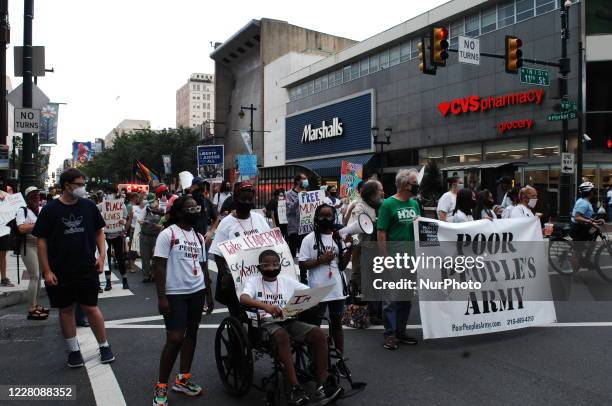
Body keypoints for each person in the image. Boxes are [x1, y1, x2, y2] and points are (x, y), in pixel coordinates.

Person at [33, 168, 114, 367]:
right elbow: (41, 241)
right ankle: (73, 350)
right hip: (60, 269)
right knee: (65, 309)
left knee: (91, 307)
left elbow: (99, 232)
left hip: (86, 267)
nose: (82, 187)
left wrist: (102, 256)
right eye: (79, 184)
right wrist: (47, 270)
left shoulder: (88, 206)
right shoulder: (50, 209)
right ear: (67, 185)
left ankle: (104, 346)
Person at [240, 249, 343, 406]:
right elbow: (244, 298)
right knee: (281, 336)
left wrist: (312, 299)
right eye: (266, 265)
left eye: (275, 264)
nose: (271, 268)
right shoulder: (253, 282)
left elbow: (308, 292)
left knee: (318, 334)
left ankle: (322, 384)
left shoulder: (285, 280)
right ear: (260, 267)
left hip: (289, 320)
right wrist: (265, 306)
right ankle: (295, 388)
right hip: (265, 324)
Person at [152, 196, 214, 406]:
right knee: (175, 338)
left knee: (191, 334)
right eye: (190, 208)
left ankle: (183, 379)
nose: (195, 211)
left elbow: (203, 266)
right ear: (178, 212)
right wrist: (161, 297)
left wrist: (208, 294)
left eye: (197, 208)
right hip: (174, 294)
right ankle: (161, 386)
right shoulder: (167, 234)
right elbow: (158, 266)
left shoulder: (197, 236)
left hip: (196, 291)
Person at [209, 181, 270, 317]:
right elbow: (218, 254)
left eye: (250, 199)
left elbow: (270, 243)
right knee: (238, 315)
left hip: (257, 275)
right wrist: (225, 275)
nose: (247, 202)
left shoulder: (259, 219)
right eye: (243, 199)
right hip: (235, 278)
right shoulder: (226, 223)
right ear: (235, 199)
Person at [299, 204, 352, 355]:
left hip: (336, 289)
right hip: (318, 288)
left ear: (334, 217)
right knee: (314, 324)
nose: (325, 219)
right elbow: (302, 263)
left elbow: (341, 266)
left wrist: (350, 249)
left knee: (336, 324)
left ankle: (340, 356)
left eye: (329, 216)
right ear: (316, 218)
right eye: (321, 216)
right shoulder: (309, 239)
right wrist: (321, 260)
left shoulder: (338, 237)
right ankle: (314, 358)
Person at [377, 169, 420, 350]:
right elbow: (381, 232)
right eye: (414, 183)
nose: (417, 186)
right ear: (404, 185)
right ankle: (389, 334)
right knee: (391, 299)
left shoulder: (415, 204)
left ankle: (400, 331)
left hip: (411, 259)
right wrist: (385, 258)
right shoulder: (388, 204)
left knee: (405, 298)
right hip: (394, 258)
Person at [17, 186, 48, 320]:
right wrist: (38, 224)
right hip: (28, 246)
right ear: (28, 197)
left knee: (39, 275)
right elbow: (21, 228)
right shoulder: (22, 211)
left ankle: (36, 305)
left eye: (38, 194)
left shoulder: (41, 209)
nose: (37, 197)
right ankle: (31, 308)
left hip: (40, 245)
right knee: (34, 275)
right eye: (34, 195)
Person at [103, 186, 129, 291]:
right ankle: (108, 282)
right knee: (107, 260)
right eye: (108, 193)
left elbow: (125, 217)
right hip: (106, 236)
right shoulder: (102, 205)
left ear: (115, 193)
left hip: (117, 234)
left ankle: (125, 280)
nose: (110, 195)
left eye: (111, 193)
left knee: (120, 258)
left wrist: (123, 220)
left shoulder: (121, 205)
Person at [140, 194, 164, 283]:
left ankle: (154, 274)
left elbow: (163, 225)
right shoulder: (146, 210)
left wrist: (157, 226)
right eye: (150, 203)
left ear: (157, 200)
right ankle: (146, 275)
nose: (152, 204)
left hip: (157, 237)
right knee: (145, 257)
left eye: (153, 202)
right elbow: (140, 220)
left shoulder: (162, 211)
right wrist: (144, 222)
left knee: (156, 257)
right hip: (144, 235)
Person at [286, 173, 310, 258]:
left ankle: (303, 271)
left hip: (306, 228)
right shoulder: (288, 194)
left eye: (306, 178)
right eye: (303, 179)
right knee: (292, 253)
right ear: (297, 181)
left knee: (304, 253)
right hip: (294, 229)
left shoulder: (307, 193)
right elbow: (289, 209)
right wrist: (300, 198)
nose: (306, 180)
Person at [0, 183, 14, 287]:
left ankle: (4, 278)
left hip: (4, 229)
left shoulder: (7, 197)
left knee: (3, 255)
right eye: (9, 190)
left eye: (11, 190)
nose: (10, 192)